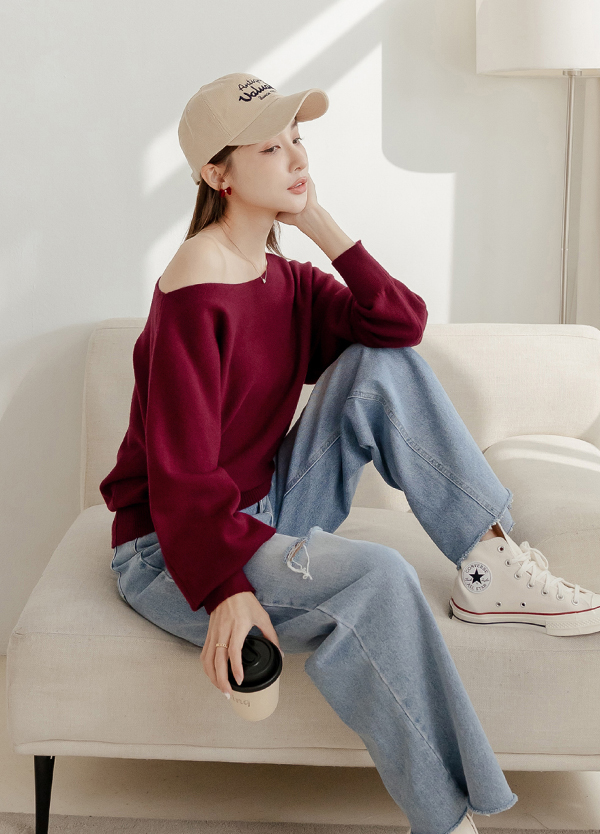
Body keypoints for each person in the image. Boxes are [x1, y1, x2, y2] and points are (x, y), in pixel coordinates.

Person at [100, 73, 600, 834]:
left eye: (298, 139)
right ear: (217, 174)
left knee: (379, 364)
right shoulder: (194, 288)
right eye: (270, 148)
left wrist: (319, 223)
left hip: (262, 510)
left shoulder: (282, 278)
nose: (297, 157)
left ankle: (487, 563)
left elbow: (400, 324)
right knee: (379, 575)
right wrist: (228, 589)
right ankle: (448, 822)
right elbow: (181, 478)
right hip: (171, 550)